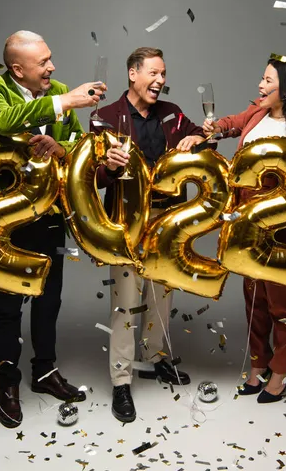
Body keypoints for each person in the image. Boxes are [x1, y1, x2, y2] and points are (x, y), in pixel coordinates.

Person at [0, 30, 112, 428]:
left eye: (50, 59)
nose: (52, 67)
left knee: (50, 298)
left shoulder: (57, 88)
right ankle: (8, 383)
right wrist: (64, 102)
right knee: (9, 306)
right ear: (17, 69)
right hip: (5, 223)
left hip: (50, 215)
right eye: (43, 62)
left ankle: (44, 371)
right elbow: (0, 120)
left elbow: (78, 140)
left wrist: (62, 148)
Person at [203, 55, 286, 403]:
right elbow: (232, 123)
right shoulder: (257, 113)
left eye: (268, 81)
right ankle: (259, 365)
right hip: (246, 223)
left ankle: (282, 371)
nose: (260, 86)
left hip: (283, 228)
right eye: (261, 78)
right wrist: (216, 127)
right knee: (254, 298)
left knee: (282, 303)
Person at [90, 47, 205, 423]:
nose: (160, 80)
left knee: (161, 294)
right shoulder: (104, 117)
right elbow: (93, 177)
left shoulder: (172, 112)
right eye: (154, 73)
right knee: (126, 301)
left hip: (167, 219)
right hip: (126, 222)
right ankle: (121, 381)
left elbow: (207, 138)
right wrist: (107, 165)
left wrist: (197, 140)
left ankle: (157, 359)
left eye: (164, 73)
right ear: (133, 74)